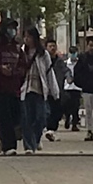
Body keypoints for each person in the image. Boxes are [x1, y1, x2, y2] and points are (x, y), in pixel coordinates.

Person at [0, 20, 27, 154]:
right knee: (4, 117)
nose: (12, 31)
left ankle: (2, 137)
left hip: (14, 88)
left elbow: (23, 65)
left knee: (15, 117)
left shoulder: (17, 48)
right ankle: (9, 146)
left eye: (14, 28)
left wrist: (17, 72)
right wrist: (0, 68)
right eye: (9, 28)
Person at [20, 25, 57, 154]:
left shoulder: (43, 54)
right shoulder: (21, 52)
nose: (27, 39)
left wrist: (54, 91)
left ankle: (35, 140)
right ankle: (28, 146)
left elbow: (49, 73)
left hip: (39, 90)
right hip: (25, 89)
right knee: (26, 119)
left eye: (29, 36)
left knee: (40, 118)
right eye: (25, 37)